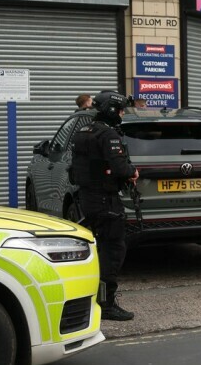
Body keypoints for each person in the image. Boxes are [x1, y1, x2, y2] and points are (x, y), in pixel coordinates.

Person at [70, 90, 138, 320]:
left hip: (87, 198)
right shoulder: (108, 135)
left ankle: (93, 296)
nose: (121, 114)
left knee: (98, 248)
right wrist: (132, 171)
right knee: (113, 250)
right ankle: (107, 304)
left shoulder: (83, 131)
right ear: (110, 110)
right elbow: (120, 167)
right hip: (105, 200)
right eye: (120, 110)